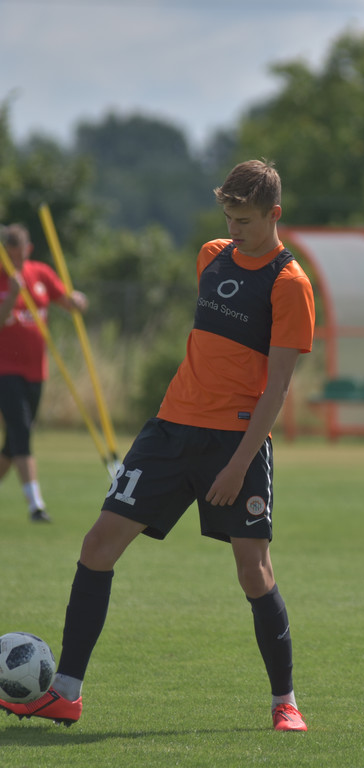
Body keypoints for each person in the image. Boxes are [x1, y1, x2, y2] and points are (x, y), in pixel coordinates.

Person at [0, 160, 316, 731]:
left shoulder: (291, 286)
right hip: (169, 429)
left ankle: (284, 703)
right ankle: (67, 692)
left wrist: (238, 462)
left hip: (236, 442)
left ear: (274, 214)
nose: (235, 228)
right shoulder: (210, 255)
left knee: (253, 570)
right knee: (98, 545)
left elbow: (278, 388)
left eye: (245, 219)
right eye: (228, 217)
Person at [0, 223, 88, 523]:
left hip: (36, 369)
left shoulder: (40, 273)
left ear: (28, 250)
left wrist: (77, 301)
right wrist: (11, 295)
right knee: (22, 430)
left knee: (13, 442)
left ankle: (32, 500)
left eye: (19, 256)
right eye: (9, 256)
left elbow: (68, 302)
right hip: (4, 369)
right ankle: (35, 505)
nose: (15, 262)